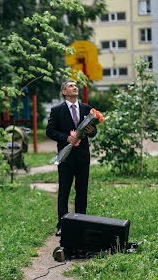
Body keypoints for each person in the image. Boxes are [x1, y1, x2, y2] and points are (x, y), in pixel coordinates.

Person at [45, 80, 97, 237]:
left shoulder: (87, 109)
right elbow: (50, 131)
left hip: (83, 156)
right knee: (64, 190)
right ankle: (62, 224)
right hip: (66, 156)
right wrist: (66, 138)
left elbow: (93, 133)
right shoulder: (56, 110)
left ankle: (81, 222)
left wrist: (90, 130)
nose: (75, 87)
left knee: (82, 190)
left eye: (76, 86)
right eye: (71, 86)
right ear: (64, 92)